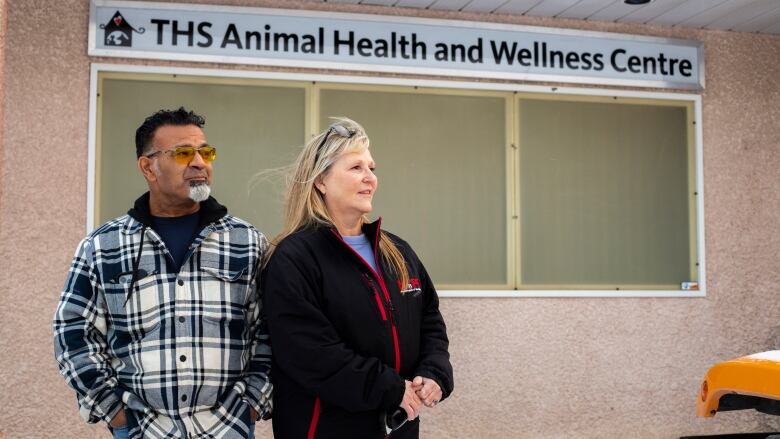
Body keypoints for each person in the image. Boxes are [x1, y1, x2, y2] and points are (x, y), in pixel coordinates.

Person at [53, 108, 272, 439]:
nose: (200, 162)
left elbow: (273, 329)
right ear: (147, 167)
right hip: (141, 430)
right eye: (184, 153)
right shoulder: (102, 247)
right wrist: (114, 412)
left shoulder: (247, 242)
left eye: (206, 152)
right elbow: (73, 331)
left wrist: (253, 402)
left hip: (228, 429)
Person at [262, 118, 454, 438]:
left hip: (398, 426)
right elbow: (311, 353)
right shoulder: (294, 258)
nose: (370, 179)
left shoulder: (397, 252)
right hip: (324, 428)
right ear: (321, 181)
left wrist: (434, 372)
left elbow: (430, 321)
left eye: (372, 168)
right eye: (356, 168)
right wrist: (390, 388)